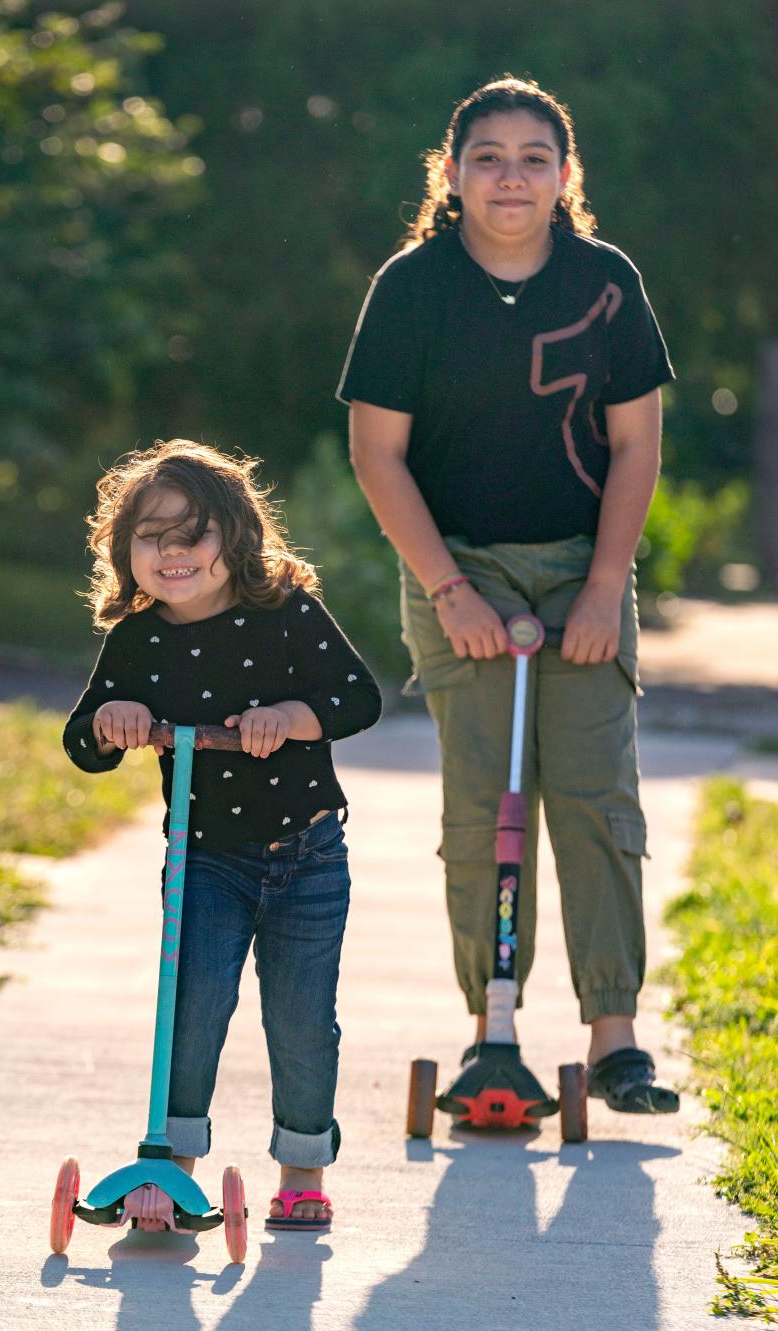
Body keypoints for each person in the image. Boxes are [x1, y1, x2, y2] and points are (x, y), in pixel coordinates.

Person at [338, 75, 679, 1114]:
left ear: (566, 175)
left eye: (535, 157)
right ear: (451, 173)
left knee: (595, 798)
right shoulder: (411, 288)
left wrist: (603, 587)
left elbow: (636, 444)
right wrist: (448, 589)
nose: (511, 176)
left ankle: (616, 1035)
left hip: (585, 562)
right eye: (487, 156)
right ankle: (494, 1025)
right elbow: (377, 454)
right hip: (461, 569)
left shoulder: (606, 283)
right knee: (483, 809)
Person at [63, 438, 382, 1230]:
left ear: (235, 538)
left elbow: (358, 695)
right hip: (202, 858)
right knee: (192, 1003)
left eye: (193, 532)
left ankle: (302, 1169)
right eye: (151, 534)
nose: (172, 551)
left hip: (307, 854)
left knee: (301, 1017)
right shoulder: (137, 640)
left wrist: (290, 718)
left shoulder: (286, 616)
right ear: (122, 549)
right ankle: (169, 1171)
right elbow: (82, 739)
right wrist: (114, 721)